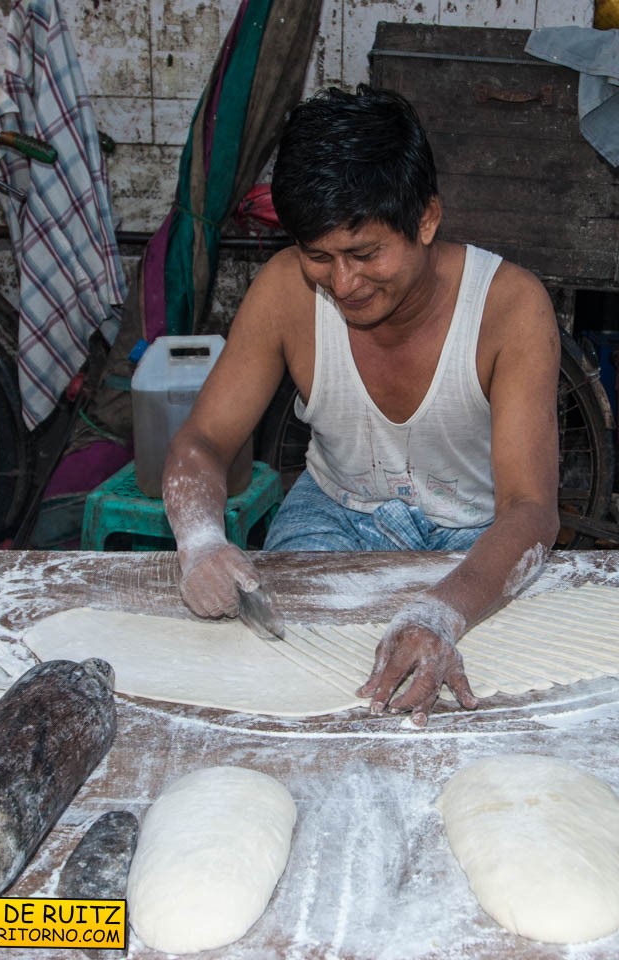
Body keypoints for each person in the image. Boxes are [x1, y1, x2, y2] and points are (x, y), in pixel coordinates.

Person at [162, 84, 560, 726]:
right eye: (318, 256)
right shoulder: (285, 295)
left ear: (426, 220)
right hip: (335, 515)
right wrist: (202, 541)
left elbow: (531, 510)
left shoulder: (509, 308)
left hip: (476, 538)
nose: (343, 284)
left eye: (365, 253)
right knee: (290, 695)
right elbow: (201, 443)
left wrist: (443, 610)